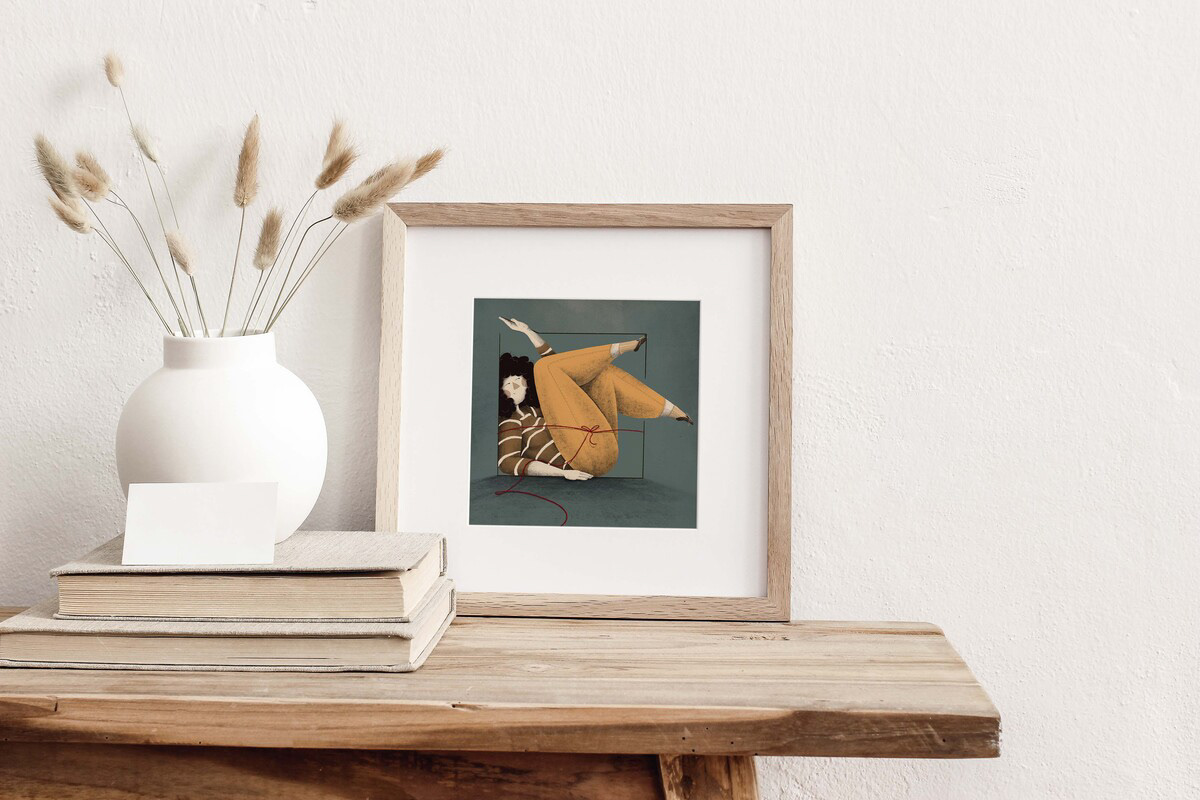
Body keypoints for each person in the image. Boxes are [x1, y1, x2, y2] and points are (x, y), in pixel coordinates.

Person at [496, 316, 693, 479]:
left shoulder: (543, 404)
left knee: (599, 373)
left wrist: (528, 332)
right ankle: (615, 350)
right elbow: (507, 462)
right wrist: (562, 473)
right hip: (581, 460)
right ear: (502, 393)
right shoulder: (511, 422)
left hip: (603, 445)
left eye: (518, 380)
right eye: (509, 385)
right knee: (545, 367)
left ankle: (668, 410)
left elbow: (558, 366)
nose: (516, 386)